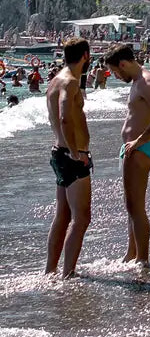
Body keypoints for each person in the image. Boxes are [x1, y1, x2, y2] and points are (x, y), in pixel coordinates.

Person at [106, 42, 150, 269]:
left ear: (123, 64)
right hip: (134, 148)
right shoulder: (138, 81)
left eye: (115, 71)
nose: (115, 76)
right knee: (131, 205)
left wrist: (140, 139)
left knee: (137, 207)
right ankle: (131, 254)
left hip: (140, 149)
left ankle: (142, 259)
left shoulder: (145, 82)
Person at [45, 38, 93, 278]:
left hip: (59, 153)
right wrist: (76, 152)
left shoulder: (55, 80)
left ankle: (50, 271)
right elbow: (64, 116)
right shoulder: (70, 82)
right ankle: (68, 274)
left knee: (62, 216)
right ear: (85, 55)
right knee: (82, 217)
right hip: (72, 157)